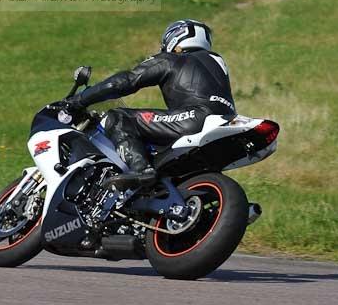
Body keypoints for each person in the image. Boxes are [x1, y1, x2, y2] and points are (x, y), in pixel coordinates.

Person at [65, 19, 236, 189]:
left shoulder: (173, 59)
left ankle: (140, 169)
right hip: (224, 120)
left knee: (119, 117)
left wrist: (78, 100)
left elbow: (125, 81)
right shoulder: (215, 61)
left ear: (175, 37)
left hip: (195, 117)